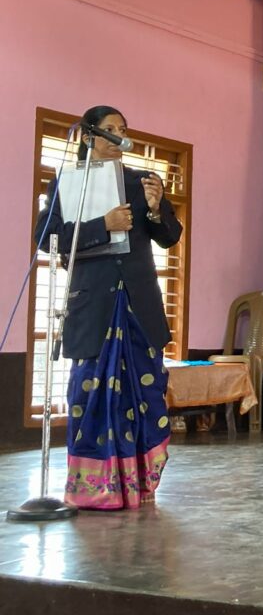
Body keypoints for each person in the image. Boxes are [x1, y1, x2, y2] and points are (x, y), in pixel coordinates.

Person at [34, 105, 183, 510]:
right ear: (88, 136)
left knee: (147, 392)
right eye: (111, 129)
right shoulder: (67, 181)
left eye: (124, 128)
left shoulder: (142, 181)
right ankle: (93, 489)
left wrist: (155, 208)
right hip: (92, 303)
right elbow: (46, 237)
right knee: (89, 391)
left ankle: (140, 485)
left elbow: (170, 236)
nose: (120, 136)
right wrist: (103, 224)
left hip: (138, 303)